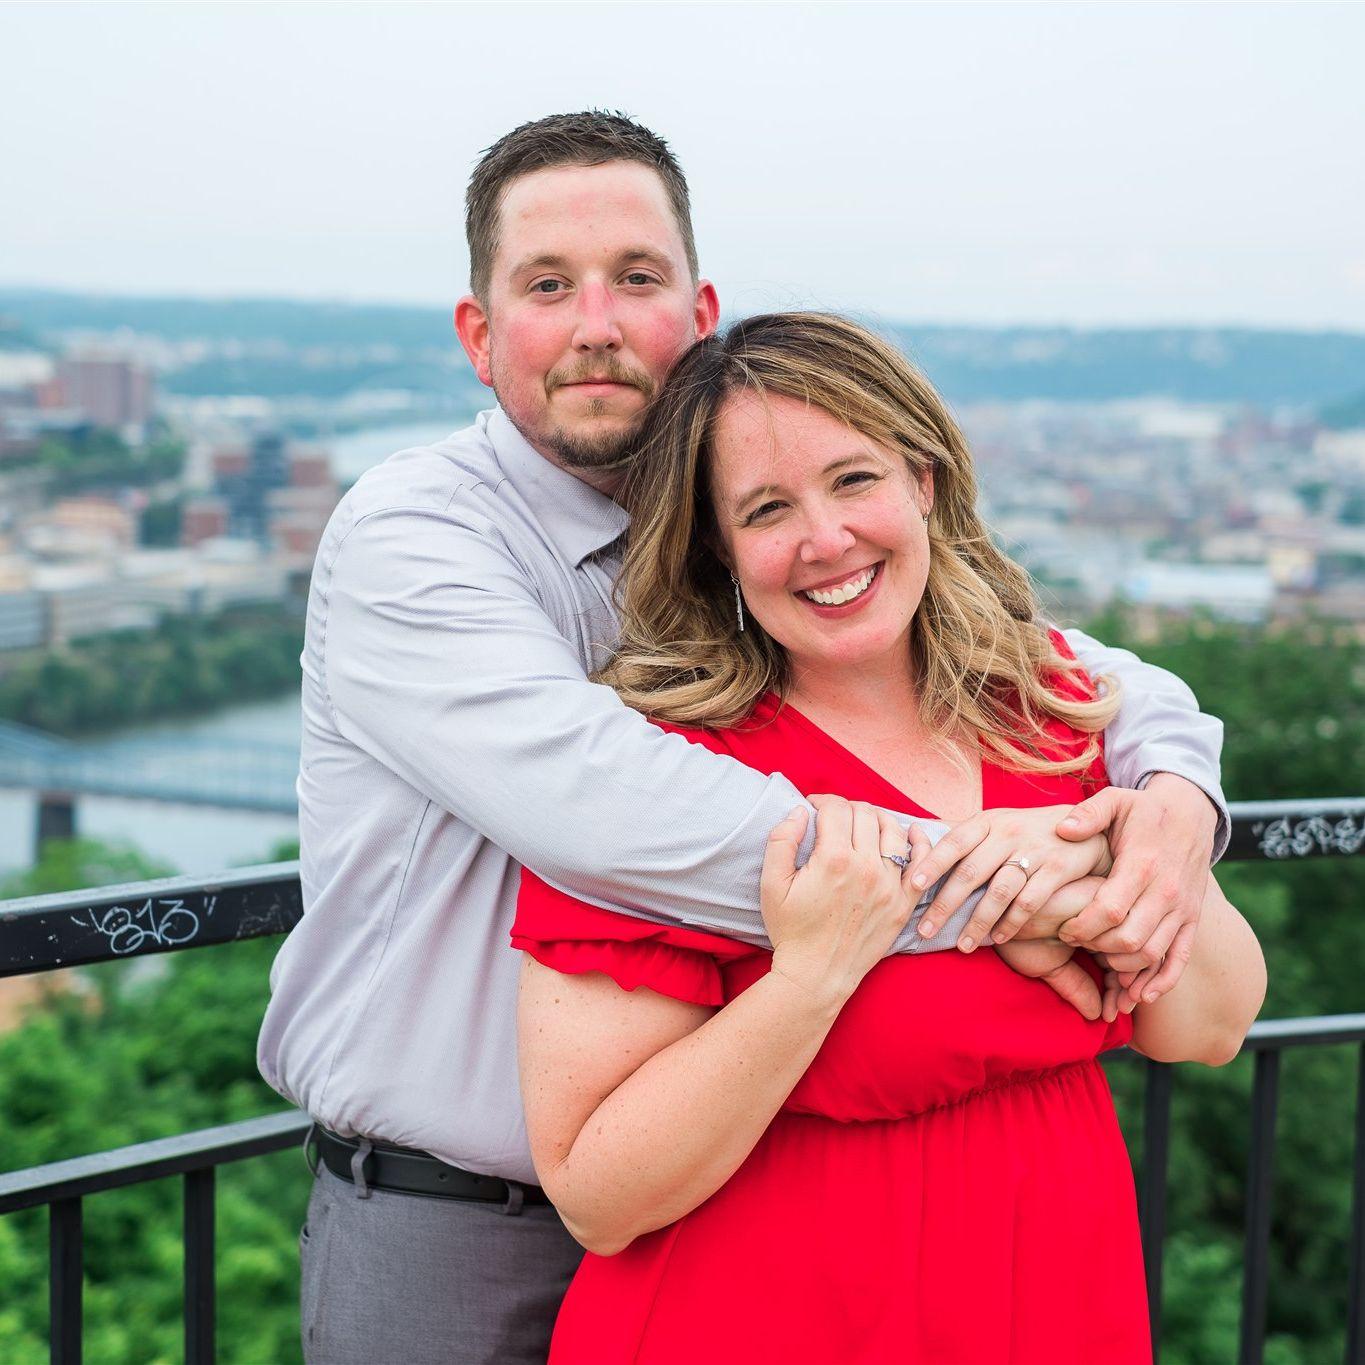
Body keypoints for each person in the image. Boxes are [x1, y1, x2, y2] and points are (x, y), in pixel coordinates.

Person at [257, 112, 1230, 1364]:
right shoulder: (418, 537)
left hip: (742, 1188)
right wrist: (1025, 892)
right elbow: (610, 810)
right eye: (547, 287)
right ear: (480, 335)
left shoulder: (751, 550)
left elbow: (1080, 674)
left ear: (699, 312)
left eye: (637, 279)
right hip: (459, 1220)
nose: (598, 324)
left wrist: (1173, 803)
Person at [514, 312, 1267, 1363]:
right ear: (717, 547)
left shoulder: (1051, 708)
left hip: (1050, 1295)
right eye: (767, 509)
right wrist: (811, 977)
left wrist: (1111, 856)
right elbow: (598, 1195)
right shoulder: (664, 778)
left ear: (922, 480)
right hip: (763, 1322)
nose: (826, 539)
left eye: (854, 480)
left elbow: (1211, 1025)